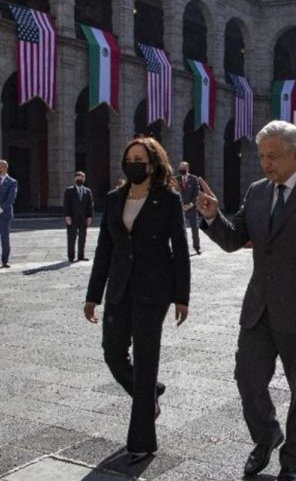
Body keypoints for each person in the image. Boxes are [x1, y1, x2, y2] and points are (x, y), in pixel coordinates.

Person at [197, 120, 296, 481]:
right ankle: (267, 436)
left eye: (272, 156)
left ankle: (293, 462)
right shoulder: (257, 192)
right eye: (261, 156)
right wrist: (212, 216)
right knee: (247, 380)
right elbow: (235, 240)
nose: (265, 163)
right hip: (259, 311)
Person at [84, 137, 191, 462]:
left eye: (139, 159)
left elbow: (180, 251)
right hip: (119, 288)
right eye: (129, 158)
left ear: (152, 164)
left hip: (153, 291)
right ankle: (149, 397)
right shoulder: (115, 199)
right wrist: (92, 296)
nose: (133, 163)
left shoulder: (168, 200)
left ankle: (141, 442)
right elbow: (105, 249)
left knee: (146, 361)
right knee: (113, 353)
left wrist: (181, 297)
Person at [63, 171, 95, 262]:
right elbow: (66, 204)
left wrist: (90, 216)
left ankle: (81, 256)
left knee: (82, 237)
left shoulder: (88, 191)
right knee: (71, 237)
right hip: (72, 218)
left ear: (84, 179)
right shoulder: (69, 190)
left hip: (83, 218)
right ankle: (71, 256)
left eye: (81, 178)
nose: (79, 179)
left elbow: (90, 205)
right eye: (78, 178)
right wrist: (67, 216)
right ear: (74, 179)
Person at [176, 161, 201, 254]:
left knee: (195, 228)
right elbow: (174, 193)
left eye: (184, 167)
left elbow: (196, 193)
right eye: (180, 167)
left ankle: (197, 247)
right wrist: (180, 205)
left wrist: (191, 204)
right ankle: (182, 248)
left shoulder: (194, 179)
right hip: (180, 208)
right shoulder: (175, 179)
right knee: (180, 229)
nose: (182, 169)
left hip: (192, 208)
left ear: (188, 168)